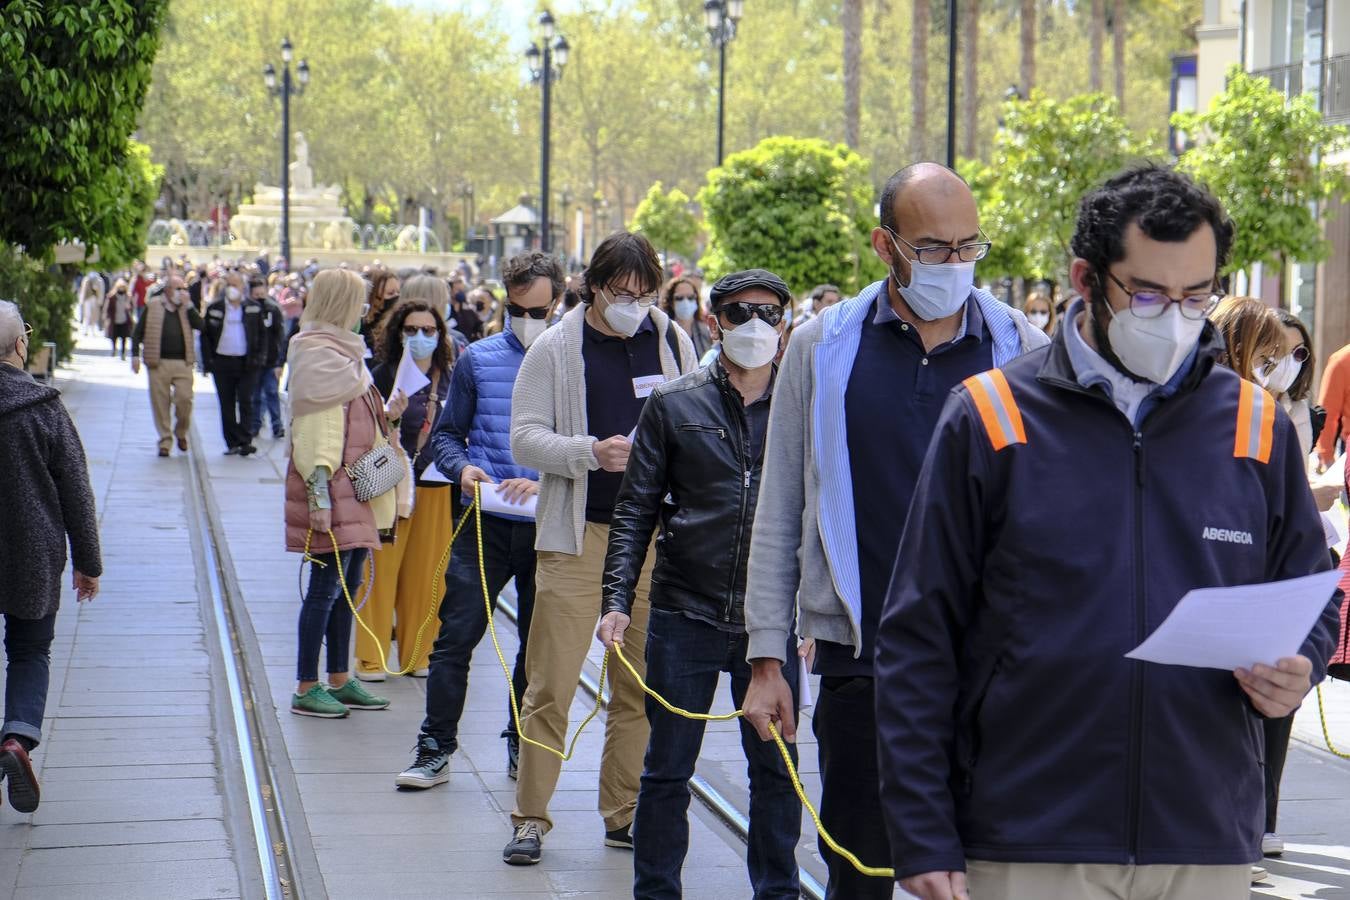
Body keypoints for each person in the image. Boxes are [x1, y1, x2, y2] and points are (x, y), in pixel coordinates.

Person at [876, 165, 1341, 900]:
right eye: (1149, 293)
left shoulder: (1252, 425)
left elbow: (1312, 595)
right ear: (1087, 277)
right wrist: (922, 829)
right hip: (1028, 836)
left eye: (1197, 296)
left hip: (1204, 834)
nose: (1177, 317)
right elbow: (917, 637)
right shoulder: (991, 417)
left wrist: (1300, 667)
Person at [740, 163, 1048, 900]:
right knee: (861, 871)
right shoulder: (823, 347)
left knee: (990, 873)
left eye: (968, 248)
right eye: (933, 249)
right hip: (860, 661)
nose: (954, 265)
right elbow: (781, 506)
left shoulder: (1022, 349)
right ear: (886, 245)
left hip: (993, 667)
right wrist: (765, 658)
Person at [598, 269, 802, 899]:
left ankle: (778, 891)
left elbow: (823, 512)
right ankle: (655, 892)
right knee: (665, 770)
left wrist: (819, 612)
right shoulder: (673, 404)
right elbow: (636, 509)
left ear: (786, 325)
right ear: (715, 323)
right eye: (740, 313)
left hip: (767, 623)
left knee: (776, 770)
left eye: (769, 313)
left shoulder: (801, 409)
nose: (755, 325)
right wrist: (616, 602)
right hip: (683, 612)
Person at [503, 231, 697, 866]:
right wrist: (590, 452)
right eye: (621, 293)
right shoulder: (557, 346)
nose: (633, 305)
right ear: (593, 285)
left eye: (644, 294)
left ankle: (624, 813)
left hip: (650, 542)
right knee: (551, 685)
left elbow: (696, 423)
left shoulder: (671, 339)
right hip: (576, 535)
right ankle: (531, 817)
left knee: (637, 687)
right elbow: (524, 439)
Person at [396, 251, 561, 791]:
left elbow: (591, 451)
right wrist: (464, 467)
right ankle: (435, 745)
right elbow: (446, 435)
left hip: (550, 527)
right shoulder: (479, 359)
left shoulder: (574, 366)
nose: (528, 318)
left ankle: (520, 741)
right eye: (518, 308)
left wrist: (548, 482)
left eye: (538, 309)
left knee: (537, 648)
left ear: (558, 302)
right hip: (482, 522)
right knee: (455, 637)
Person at [1210, 298, 1320, 867]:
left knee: (1264, 724)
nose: (1280, 366)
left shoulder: (1272, 416)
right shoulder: (1205, 416)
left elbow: (1301, 549)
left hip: (1262, 606)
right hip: (1212, 617)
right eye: (1268, 355)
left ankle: (1256, 825)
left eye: (1289, 356)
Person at [284, 269, 406, 719]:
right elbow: (316, 434)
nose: (362, 310)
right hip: (334, 496)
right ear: (339, 304)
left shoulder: (344, 353)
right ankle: (306, 685)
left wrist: (389, 416)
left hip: (357, 493)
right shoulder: (318, 354)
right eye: (356, 301)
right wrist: (318, 499)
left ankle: (337, 677)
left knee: (347, 588)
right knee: (323, 590)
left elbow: (356, 422)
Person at [0, 301, 101, 813]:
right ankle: (17, 737)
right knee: (29, 650)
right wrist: (88, 562)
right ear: (22, 346)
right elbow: (75, 491)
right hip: (32, 554)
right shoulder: (44, 407)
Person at [356, 282, 456, 681]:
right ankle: (371, 658)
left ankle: (420, 655)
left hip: (436, 487)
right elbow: (362, 433)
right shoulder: (380, 375)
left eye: (428, 330)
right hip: (388, 488)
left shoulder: (451, 376)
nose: (420, 337)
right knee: (379, 576)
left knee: (428, 578)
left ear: (440, 334)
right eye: (411, 329)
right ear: (398, 332)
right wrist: (390, 418)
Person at [132, 277, 203, 458]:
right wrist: (134, 356)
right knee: (160, 403)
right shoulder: (153, 305)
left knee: (185, 399)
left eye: (184, 288)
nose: (181, 292)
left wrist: (190, 307)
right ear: (167, 290)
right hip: (158, 361)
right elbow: (138, 331)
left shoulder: (187, 307)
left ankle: (180, 432)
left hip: (183, 362)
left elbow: (201, 326)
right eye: (177, 288)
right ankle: (165, 440)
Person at [201, 271, 268, 456]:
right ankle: (232, 441)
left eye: (235, 285)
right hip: (222, 362)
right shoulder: (215, 308)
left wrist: (259, 359)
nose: (232, 289)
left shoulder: (253, 308)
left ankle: (245, 440)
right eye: (229, 285)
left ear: (242, 288)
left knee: (246, 400)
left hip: (247, 363)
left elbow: (263, 336)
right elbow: (206, 337)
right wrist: (208, 363)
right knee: (227, 403)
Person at [248, 276, 288, 441]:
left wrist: (279, 361)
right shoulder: (249, 309)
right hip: (255, 360)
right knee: (256, 395)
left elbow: (280, 336)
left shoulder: (273, 309)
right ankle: (255, 425)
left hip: (270, 360)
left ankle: (277, 425)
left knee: (271, 392)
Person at [662, 276, 713, 360]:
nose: (686, 302)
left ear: (696, 300)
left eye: (690, 297)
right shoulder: (663, 333)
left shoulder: (707, 333)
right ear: (671, 302)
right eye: (679, 298)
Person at [363, 270, 401, 361]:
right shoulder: (360, 327)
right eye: (390, 293)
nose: (396, 297)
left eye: (398, 292)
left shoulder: (396, 324)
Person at [103, 278, 135, 359]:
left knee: (124, 338)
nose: (121, 289)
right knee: (114, 336)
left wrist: (129, 307)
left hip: (125, 320)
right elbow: (108, 309)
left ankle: (123, 353)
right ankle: (114, 349)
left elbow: (132, 308)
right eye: (120, 287)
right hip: (115, 320)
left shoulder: (128, 297)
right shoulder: (112, 297)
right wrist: (107, 318)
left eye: (123, 287)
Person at [78, 271, 105, 336]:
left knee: (94, 316)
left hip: (95, 299)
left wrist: (100, 301)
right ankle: (85, 330)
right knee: (87, 315)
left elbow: (101, 291)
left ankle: (93, 331)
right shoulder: (86, 279)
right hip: (87, 299)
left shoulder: (99, 280)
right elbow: (83, 290)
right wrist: (81, 300)